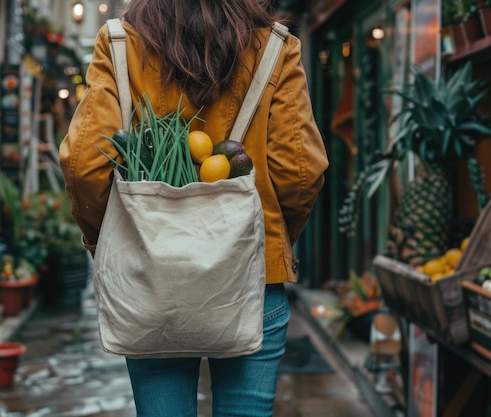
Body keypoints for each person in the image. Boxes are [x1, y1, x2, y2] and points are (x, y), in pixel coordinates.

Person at [59, 1, 329, 415]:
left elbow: (84, 165)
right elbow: (300, 171)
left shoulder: (119, 43)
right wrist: (270, 240)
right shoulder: (276, 48)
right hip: (254, 282)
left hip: (151, 281)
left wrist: (108, 240)